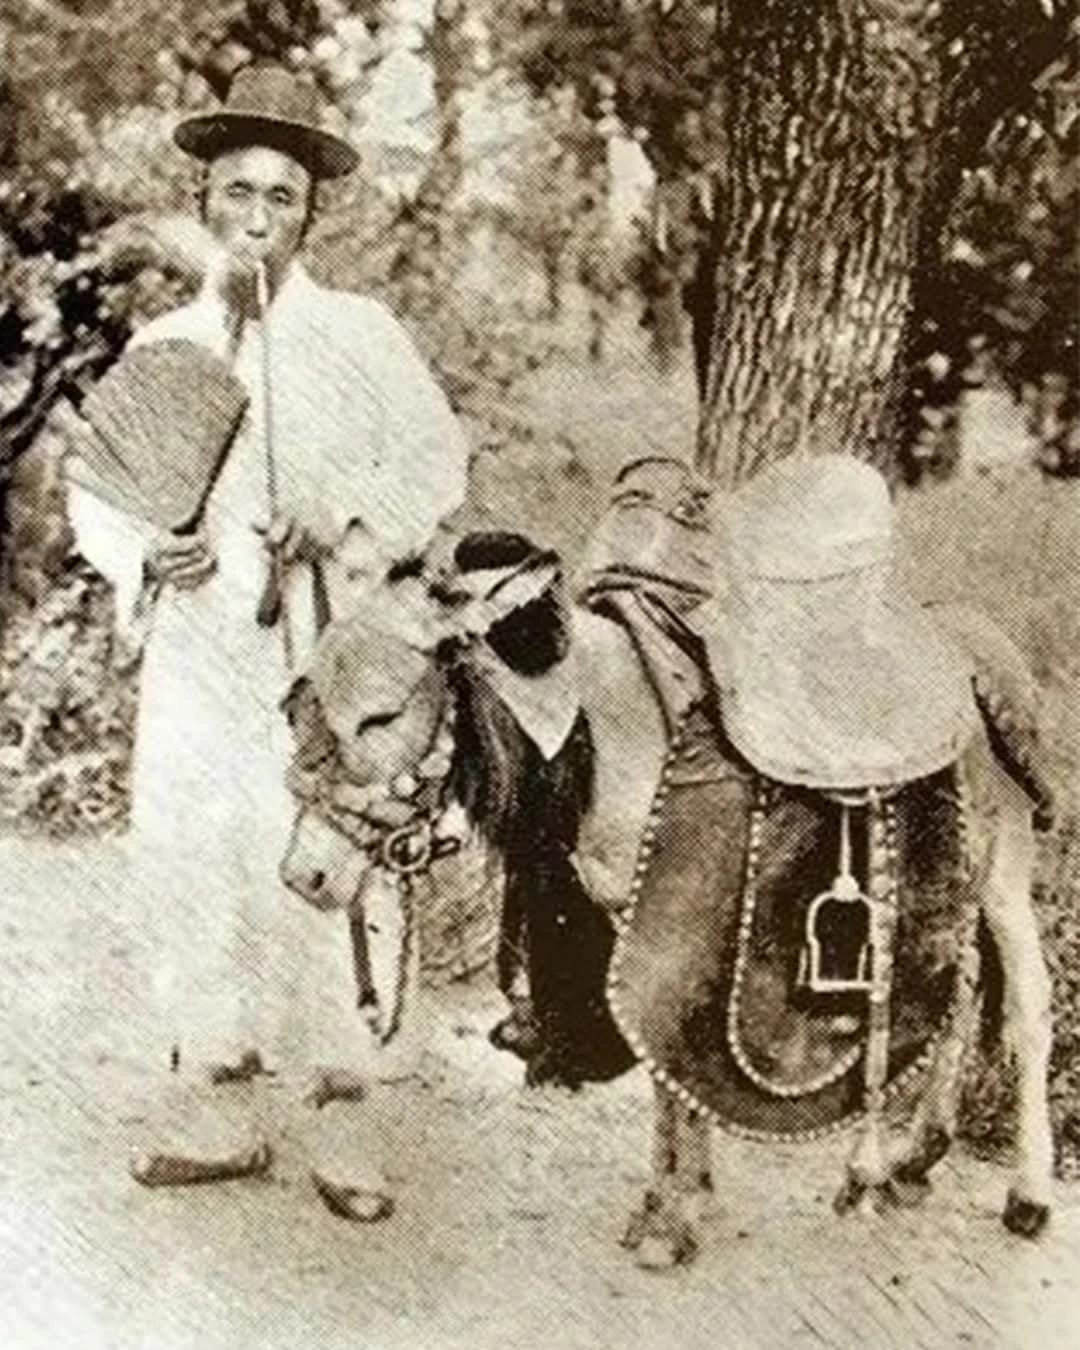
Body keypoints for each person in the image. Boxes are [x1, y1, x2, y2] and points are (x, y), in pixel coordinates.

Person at [62, 62, 469, 1214]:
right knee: (198, 856)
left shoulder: (360, 335)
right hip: (198, 653)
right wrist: (150, 552)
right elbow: (101, 491)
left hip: (319, 653)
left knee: (322, 865)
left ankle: (344, 1121)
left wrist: (341, 514)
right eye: (237, 192)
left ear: (309, 213)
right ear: (204, 201)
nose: (256, 217)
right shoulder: (167, 342)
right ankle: (221, 1109)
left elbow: (435, 464)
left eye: (281, 198)